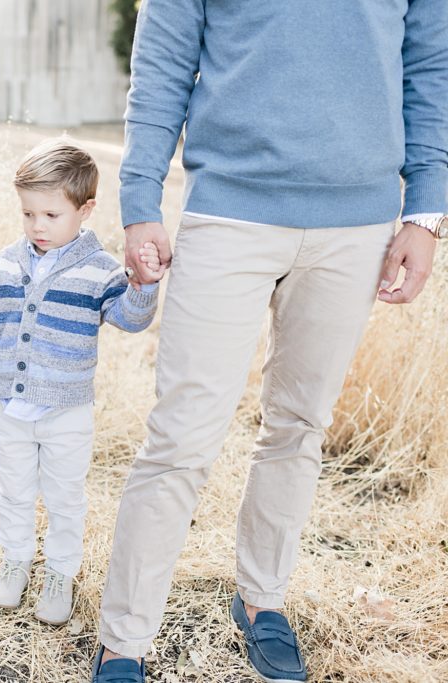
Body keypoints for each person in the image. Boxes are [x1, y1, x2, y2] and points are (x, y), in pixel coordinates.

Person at [90, 2, 448, 682]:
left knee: (299, 424)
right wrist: (140, 201)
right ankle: (123, 641)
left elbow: (430, 62)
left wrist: (426, 209)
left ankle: (262, 599)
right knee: (181, 436)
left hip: (359, 222)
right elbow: (162, 60)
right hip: (229, 211)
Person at [0, 138, 162, 626]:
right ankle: (15, 562)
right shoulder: (8, 262)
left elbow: (130, 320)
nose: (37, 226)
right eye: (28, 214)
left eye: (51, 215)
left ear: (85, 209)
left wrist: (144, 286)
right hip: (11, 408)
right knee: (14, 491)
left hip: (66, 412)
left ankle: (60, 574)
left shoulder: (99, 269)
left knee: (65, 496)